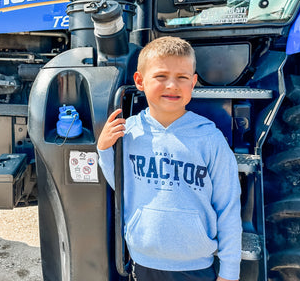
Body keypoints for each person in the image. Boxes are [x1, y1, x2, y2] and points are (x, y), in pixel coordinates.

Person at [97, 36, 242, 281]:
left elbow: (228, 206)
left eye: (182, 77)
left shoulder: (209, 138)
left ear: (193, 82)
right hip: (143, 262)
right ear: (140, 81)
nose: (172, 85)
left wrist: (229, 272)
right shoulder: (128, 132)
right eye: (161, 76)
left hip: (196, 267)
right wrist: (103, 149)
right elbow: (120, 186)